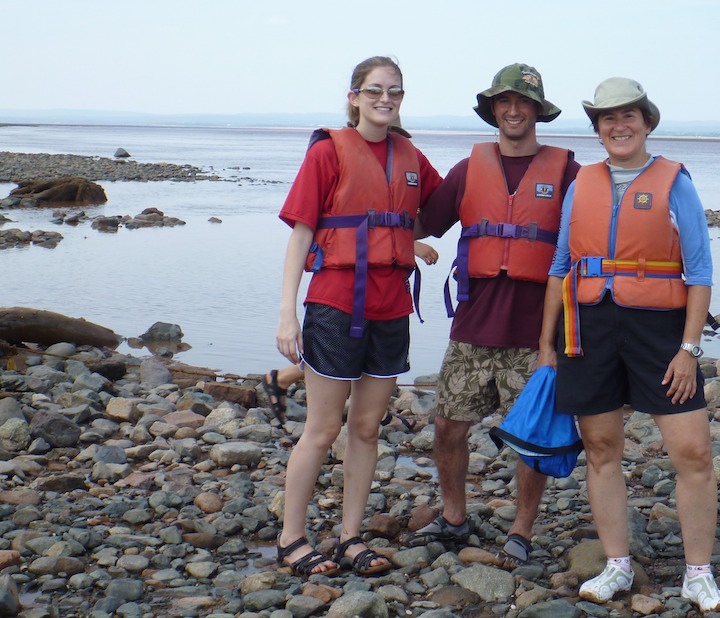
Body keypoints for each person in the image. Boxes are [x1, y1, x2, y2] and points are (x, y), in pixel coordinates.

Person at [539, 77, 719, 611]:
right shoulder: (582, 183)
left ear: (646, 122)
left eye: (628, 116)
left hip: (658, 332)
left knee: (692, 451)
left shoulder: (674, 182)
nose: (619, 126)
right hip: (588, 327)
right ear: (598, 130)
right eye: (607, 119)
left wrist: (689, 349)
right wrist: (546, 345)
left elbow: (700, 270)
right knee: (601, 450)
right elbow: (560, 266)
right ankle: (617, 564)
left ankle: (698, 572)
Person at [407, 63, 580, 569]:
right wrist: (395, 236)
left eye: (523, 102)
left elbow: (596, 238)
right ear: (493, 110)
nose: (513, 110)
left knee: (531, 438)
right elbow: (421, 222)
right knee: (447, 428)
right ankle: (454, 518)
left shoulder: (568, 173)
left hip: (537, 333)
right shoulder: (467, 170)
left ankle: (521, 530)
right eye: (505, 101)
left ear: (537, 111)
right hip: (473, 326)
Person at [274, 56, 442, 577]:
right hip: (334, 304)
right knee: (323, 429)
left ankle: (350, 537)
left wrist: (411, 240)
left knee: (367, 428)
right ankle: (292, 538)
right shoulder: (329, 150)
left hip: (391, 306)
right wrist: (286, 313)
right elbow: (302, 233)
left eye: (394, 91)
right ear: (353, 96)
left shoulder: (410, 154)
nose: (384, 99)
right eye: (374, 91)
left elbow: (435, 205)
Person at [264, 240, 439, 424]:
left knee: (353, 354)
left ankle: (283, 378)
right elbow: (361, 224)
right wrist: (410, 244)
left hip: (382, 290)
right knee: (338, 354)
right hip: (347, 288)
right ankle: (283, 379)